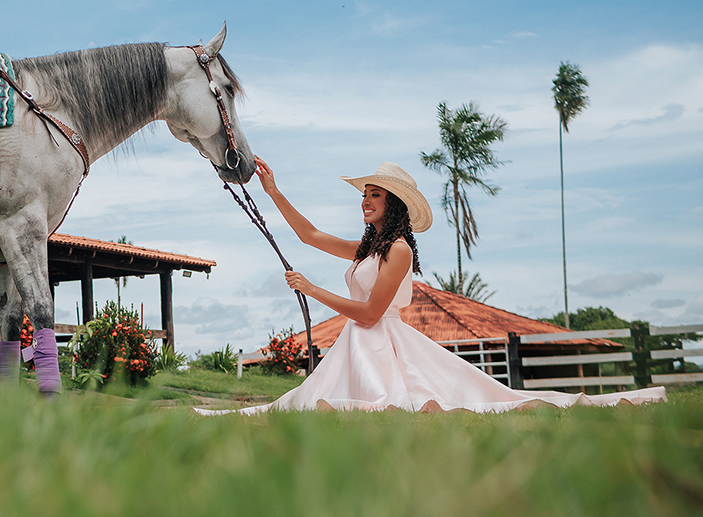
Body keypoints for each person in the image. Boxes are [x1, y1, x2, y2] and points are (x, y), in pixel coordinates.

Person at [196, 157, 665, 414]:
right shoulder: (369, 246)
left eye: (373, 195)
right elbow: (310, 236)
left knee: (395, 403)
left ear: (393, 203)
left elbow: (370, 314)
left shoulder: (397, 249)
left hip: (381, 341)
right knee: (311, 404)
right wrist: (273, 191)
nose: (365, 201)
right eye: (364, 194)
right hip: (355, 344)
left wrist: (310, 288)